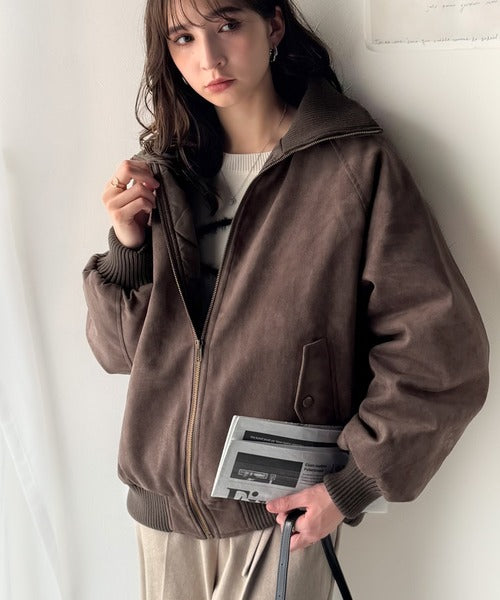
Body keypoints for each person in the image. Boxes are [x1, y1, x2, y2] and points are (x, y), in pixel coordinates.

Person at [82, 0, 489, 598]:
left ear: (273, 24)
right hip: (164, 518)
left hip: (283, 516)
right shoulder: (163, 176)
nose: (209, 58)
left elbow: (441, 352)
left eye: (227, 25)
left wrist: (350, 486)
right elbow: (122, 355)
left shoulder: (351, 166)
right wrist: (128, 247)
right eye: (183, 38)